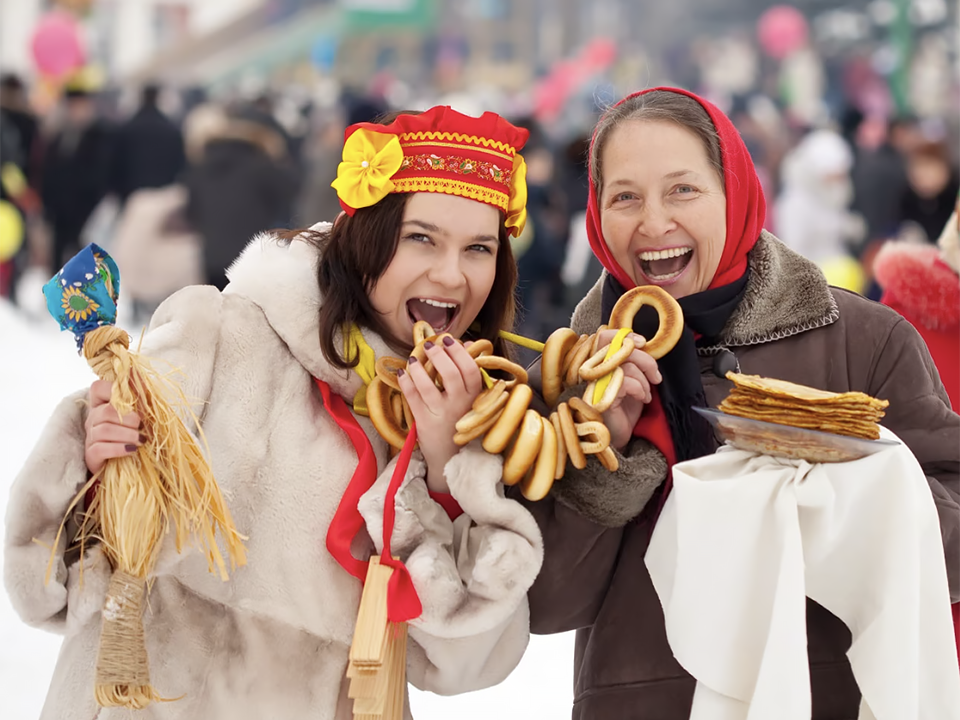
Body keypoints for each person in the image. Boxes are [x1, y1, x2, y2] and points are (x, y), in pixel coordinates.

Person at [4, 105, 543, 719]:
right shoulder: (216, 336)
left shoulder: (485, 417)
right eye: (421, 238)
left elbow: (463, 665)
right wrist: (101, 466)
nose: (451, 275)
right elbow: (51, 584)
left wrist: (449, 465)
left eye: (479, 248)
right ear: (367, 233)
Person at [520, 87, 960, 719]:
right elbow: (545, 603)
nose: (653, 221)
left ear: (736, 192)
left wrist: (835, 503)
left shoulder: (865, 343)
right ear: (596, 214)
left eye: (683, 189)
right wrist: (604, 457)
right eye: (625, 197)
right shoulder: (569, 379)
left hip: (824, 698)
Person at [110, 83, 186, 206]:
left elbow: (117, 168)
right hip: (165, 198)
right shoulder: (171, 129)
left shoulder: (127, 130)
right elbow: (180, 166)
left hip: (134, 199)